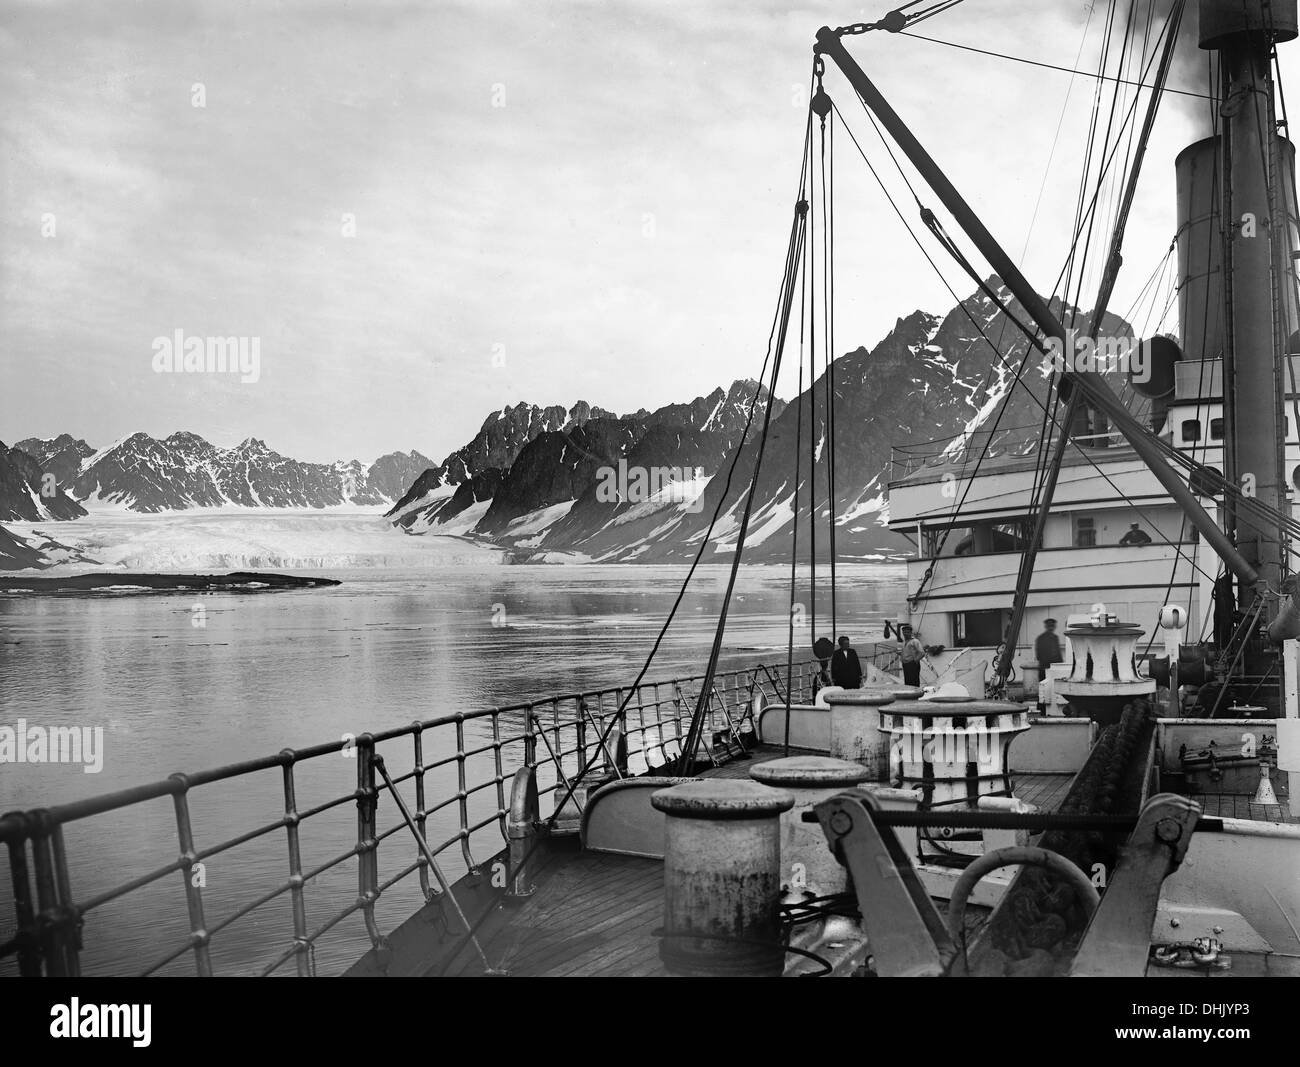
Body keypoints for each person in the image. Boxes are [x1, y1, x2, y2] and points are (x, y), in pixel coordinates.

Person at [1035, 619, 1064, 711]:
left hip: (1052, 668)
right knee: (1044, 688)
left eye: (1053, 625)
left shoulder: (1055, 638)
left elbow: (1058, 653)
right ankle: (1042, 708)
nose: (1051, 627)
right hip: (1045, 667)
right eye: (1050, 626)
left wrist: (1060, 666)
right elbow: (1039, 654)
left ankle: (1047, 708)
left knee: (1051, 688)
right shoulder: (1041, 638)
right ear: (1047, 627)